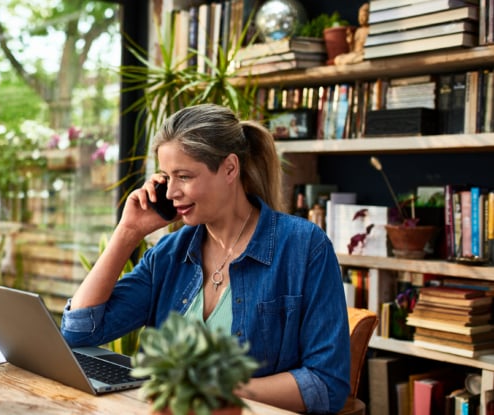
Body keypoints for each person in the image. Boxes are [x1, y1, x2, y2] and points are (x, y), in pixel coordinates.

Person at [60, 104, 350, 413]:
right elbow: (79, 332)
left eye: (184, 176)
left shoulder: (303, 247)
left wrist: (217, 391)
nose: (171, 192)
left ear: (229, 169)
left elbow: (325, 385)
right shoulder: (169, 254)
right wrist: (128, 232)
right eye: (166, 177)